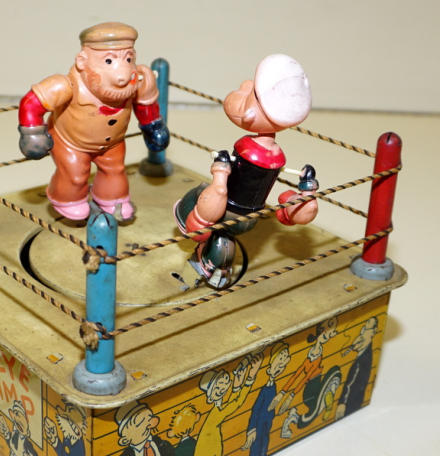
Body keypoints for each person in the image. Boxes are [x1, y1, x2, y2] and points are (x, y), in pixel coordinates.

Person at [174, 54, 319, 288]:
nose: (245, 87)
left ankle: (195, 242)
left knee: (201, 196)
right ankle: (215, 268)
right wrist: (306, 186)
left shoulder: (249, 150)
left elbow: (221, 190)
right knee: (222, 237)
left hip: (226, 212)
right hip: (252, 217)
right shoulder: (276, 156)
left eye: (254, 94)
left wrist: (221, 169)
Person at [18, 22, 169, 221]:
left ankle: (112, 199)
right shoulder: (65, 86)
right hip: (70, 142)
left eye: (128, 59)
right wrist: (33, 132)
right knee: (75, 175)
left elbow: (145, 106)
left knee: (115, 170)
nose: (123, 75)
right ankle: (66, 199)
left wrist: (153, 126)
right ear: (82, 61)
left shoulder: (140, 80)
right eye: (108, 61)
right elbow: (31, 103)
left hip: (112, 143)